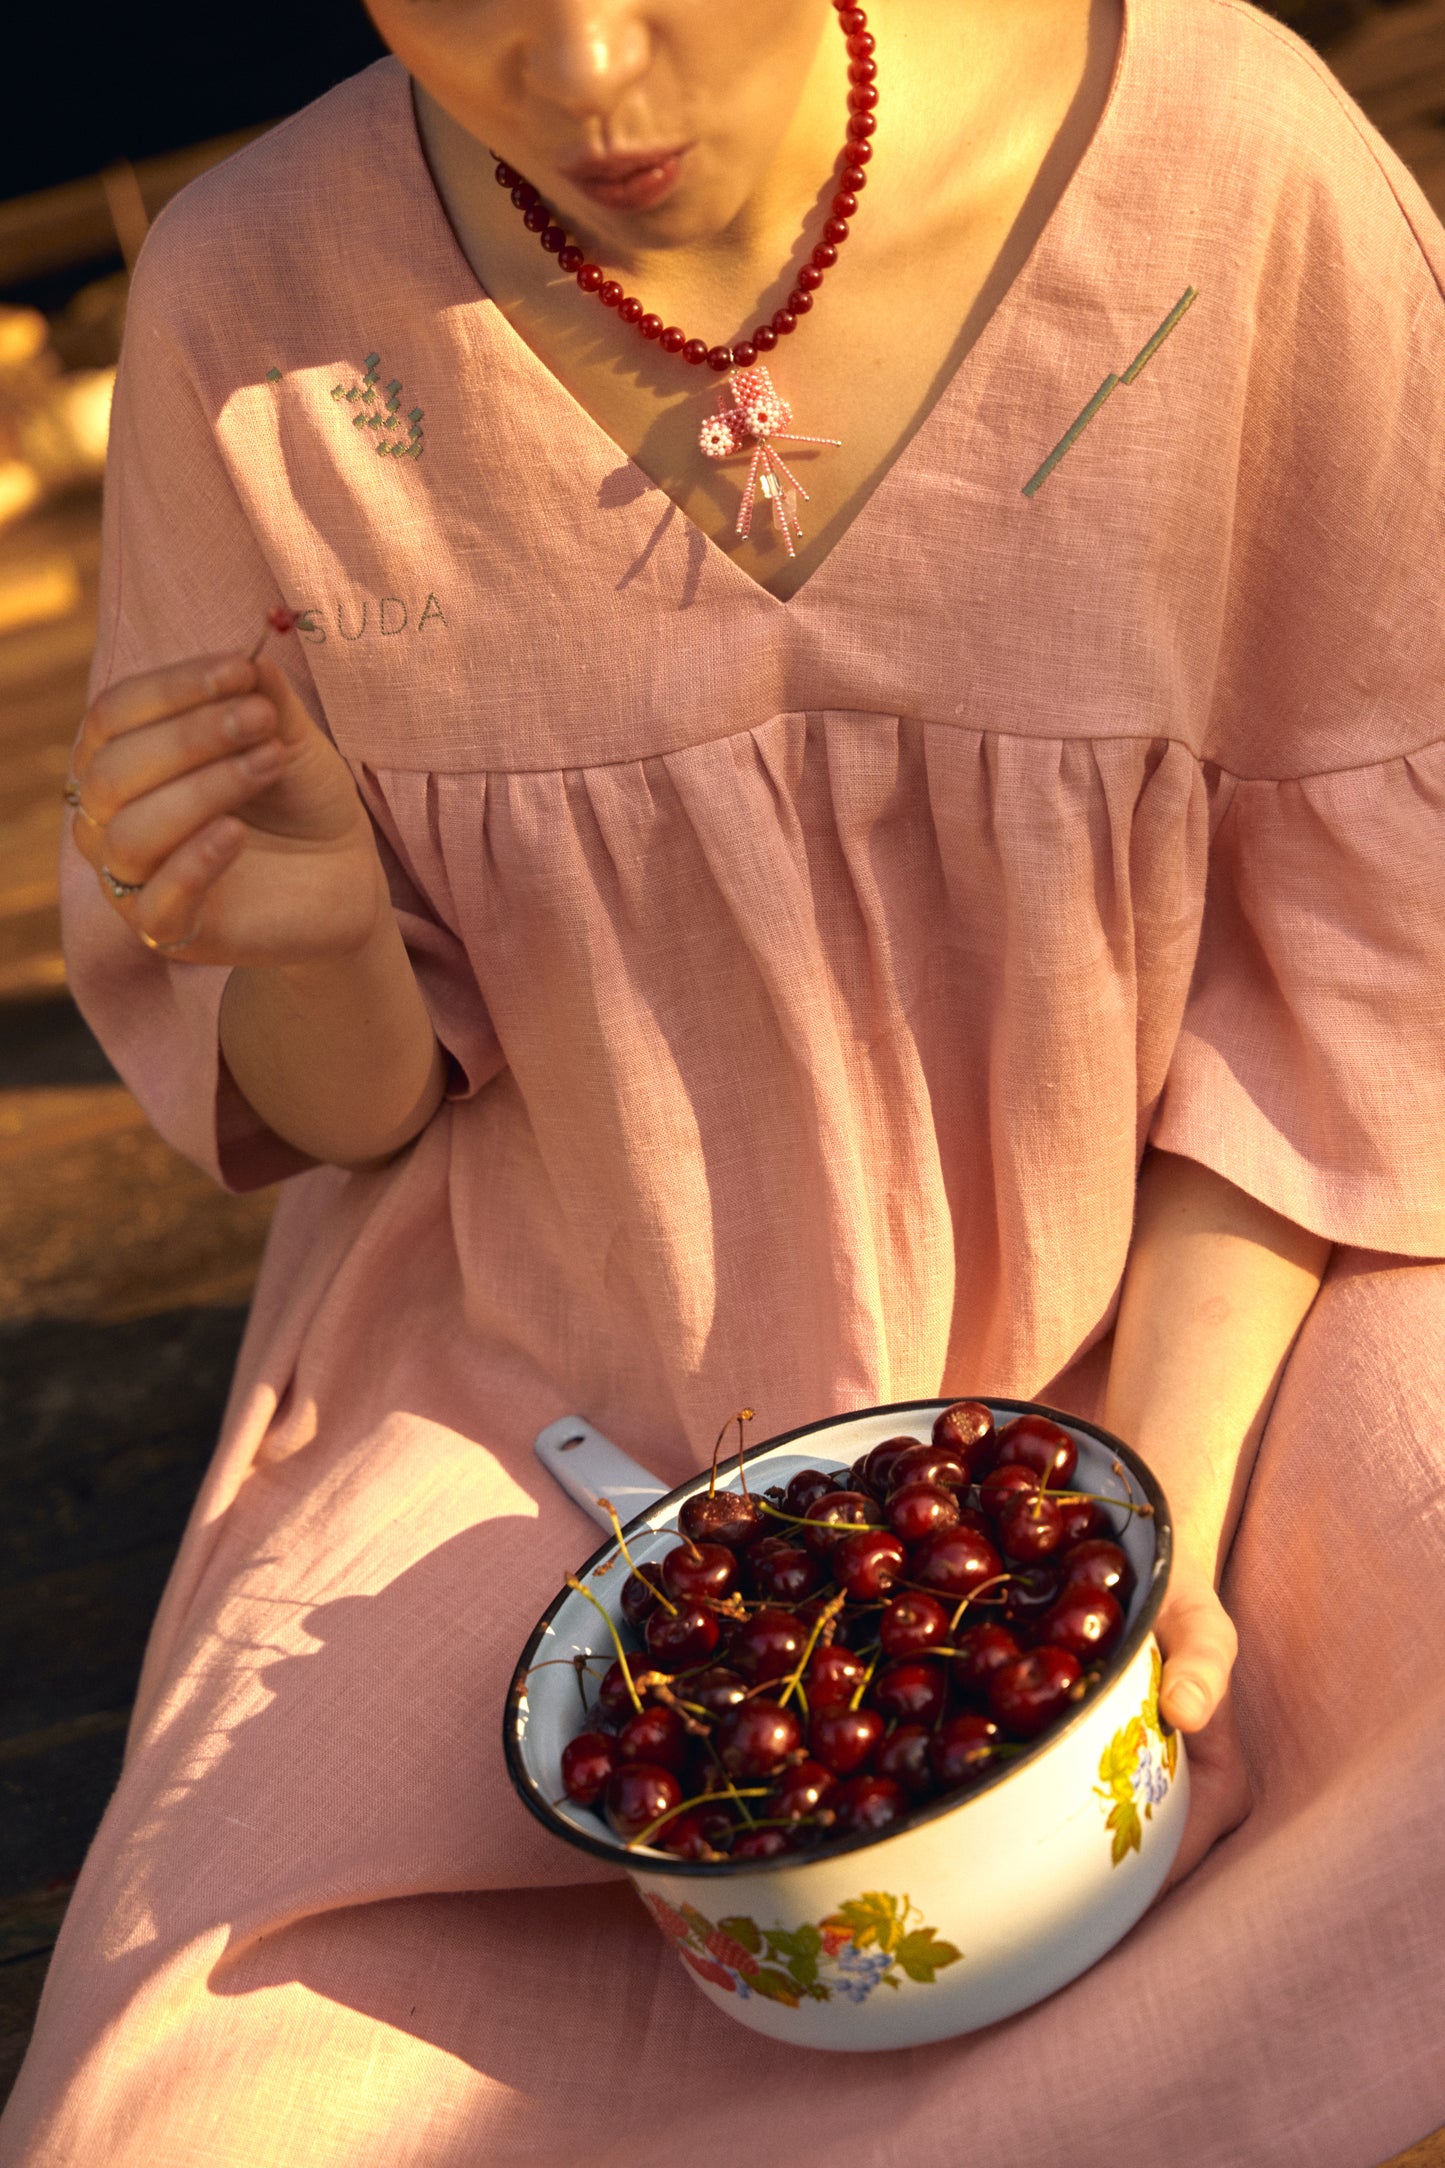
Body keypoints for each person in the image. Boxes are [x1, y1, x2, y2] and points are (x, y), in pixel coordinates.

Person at [3, 0, 1442, 2159]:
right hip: (563, 1385)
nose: (587, 72)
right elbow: (363, 1111)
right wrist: (300, 930)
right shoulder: (252, 300)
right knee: (177, 2109)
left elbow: (1362, 974)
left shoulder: (1230, 155)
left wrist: (1143, 1510)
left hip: (1249, 1264)